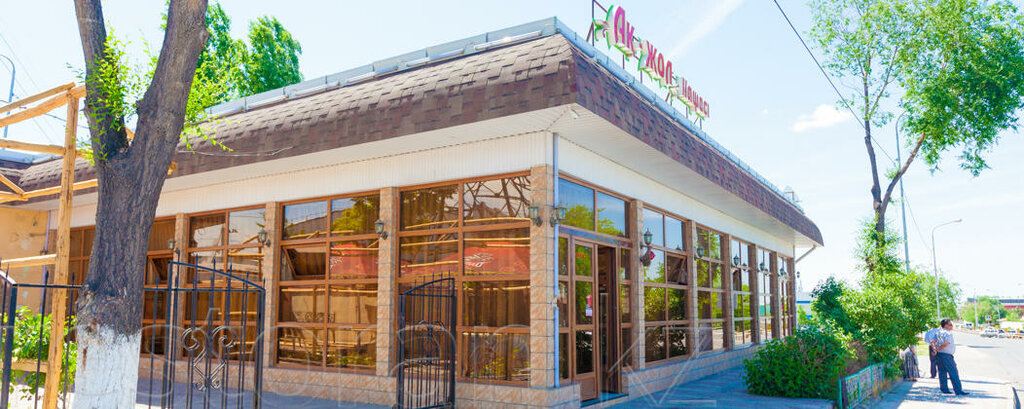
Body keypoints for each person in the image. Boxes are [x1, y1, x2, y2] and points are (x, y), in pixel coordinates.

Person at [931, 318, 969, 395]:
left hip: (939, 355)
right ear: (945, 325)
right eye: (950, 324)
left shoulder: (938, 332)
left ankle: (944, 389)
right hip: (947, 355)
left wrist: (935, 349)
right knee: (953, 372)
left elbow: (932, 341)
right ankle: (958, 390)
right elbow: (946, 343)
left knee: (942, 372)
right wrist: (937, 349)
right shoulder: (948, 333)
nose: (952, 326)